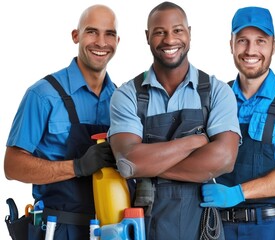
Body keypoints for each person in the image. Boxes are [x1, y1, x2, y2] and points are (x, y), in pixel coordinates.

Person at [108, 2, 241, 240]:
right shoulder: (127, 95)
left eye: (177, 30)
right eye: (160, 32)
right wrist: (195, 142)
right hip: (146, 226)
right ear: (148, 37)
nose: (169, 40)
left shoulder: (216, 92)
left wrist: (148, 164)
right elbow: (128, 161)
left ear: (189, 33)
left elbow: (224, 159)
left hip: (201, 227)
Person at [200, 6, 275, 240]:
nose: (251, 50)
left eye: (260, 41)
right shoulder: (216, 98)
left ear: (273, 45)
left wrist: (239, 193)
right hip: (218, 227)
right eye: (243, 40)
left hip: (270, 228)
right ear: (231, 44)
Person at [4, 4, 120, 239]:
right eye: (91, 31)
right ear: (75, 36)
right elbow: (12, 166)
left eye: (109, 33)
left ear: (118, 41)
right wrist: (77, 167)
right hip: (57, 230)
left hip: (110, 230)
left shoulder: (121, 100)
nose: (101, 42)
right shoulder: (43, 95)